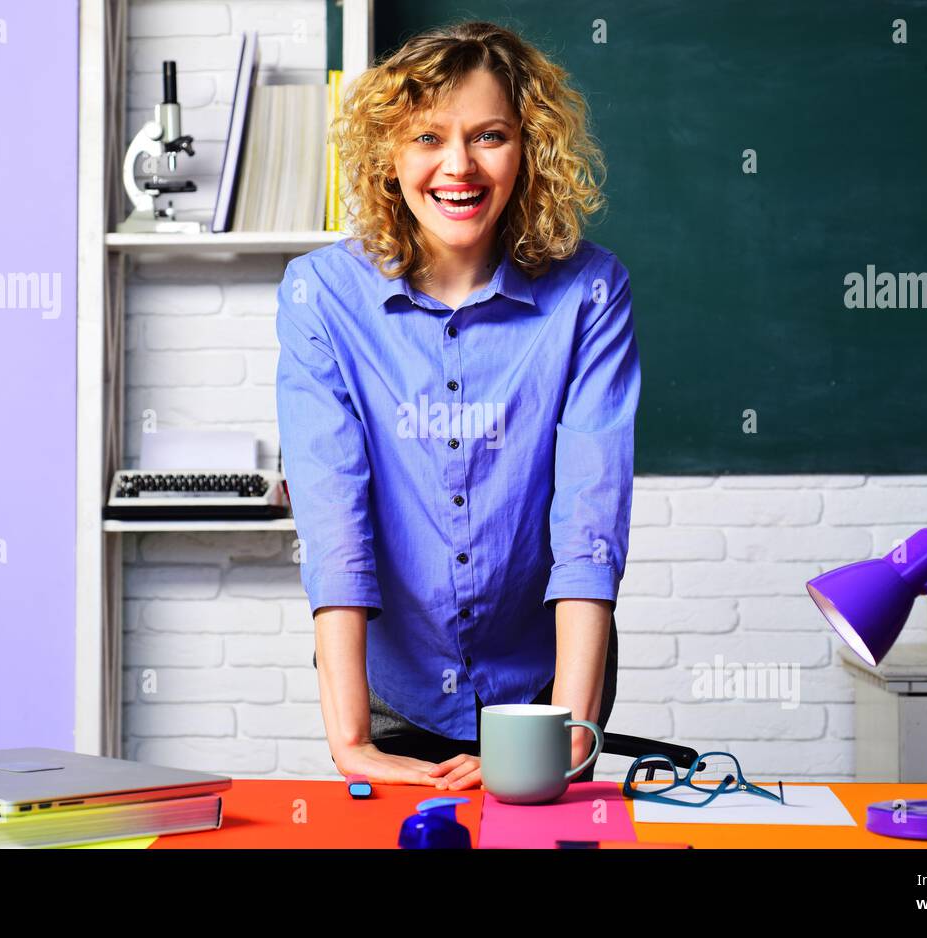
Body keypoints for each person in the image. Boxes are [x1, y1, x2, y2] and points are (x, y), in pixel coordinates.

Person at [275, 20, 639, 791]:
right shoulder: (320, 296)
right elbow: (333, 516)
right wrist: (351, 745)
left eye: (490, 136)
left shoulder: (591, 292)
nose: (458, 166)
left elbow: (589, 522)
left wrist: (569, 736)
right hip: (388, 690)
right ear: (388, 156)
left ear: (530, 149)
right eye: (428, 138)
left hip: (545, 689)